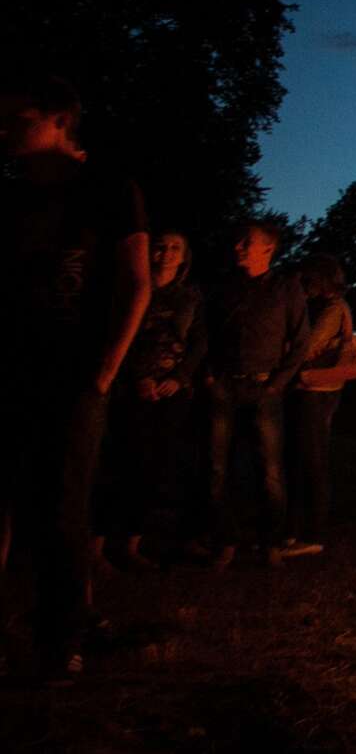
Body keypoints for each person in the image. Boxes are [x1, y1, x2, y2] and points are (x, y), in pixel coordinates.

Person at [0, 71, 151, 684]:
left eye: (18, 116)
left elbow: (137, 283)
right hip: (11, 365)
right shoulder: (10, 196)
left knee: (63, 508)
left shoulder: (109, 188)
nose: (5, 127)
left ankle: (60, 639)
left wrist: (105, 370)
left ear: (61, 119)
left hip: (75, 372)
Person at [202, 219, 312, 570]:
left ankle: (271, 542)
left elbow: (300, 340)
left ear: (268, 249)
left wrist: (278, 382)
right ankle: (225, 540)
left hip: (265, 387)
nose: (238, 247)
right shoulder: (224, 288)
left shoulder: (285, 288)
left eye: (245, 242)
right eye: (237, 242)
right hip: (226, 386)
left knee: (270, 469)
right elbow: (206, 334)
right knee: (217, 468)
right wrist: (208, 375)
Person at [101, 231, 206, 570]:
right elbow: (118, 332)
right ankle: (96, 546)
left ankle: (132, 544)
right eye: (160, 246)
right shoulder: (130, 289)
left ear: (184, 256)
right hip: (128, 387)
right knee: (116, 463)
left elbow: (199, 342)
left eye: (175, 247)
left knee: (151, 466)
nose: (167, 253)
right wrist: (136, 375)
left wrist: (179, 377)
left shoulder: (190, 297)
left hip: (171, 391)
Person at [287, 254, 356, 553]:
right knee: (304, 458)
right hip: (318, 387)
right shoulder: (329, 308)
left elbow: (308, 346)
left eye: (307, 280)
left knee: (313, 458)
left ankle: (313, 533)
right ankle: (296, 530)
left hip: (319, 388)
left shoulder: (333, 309)